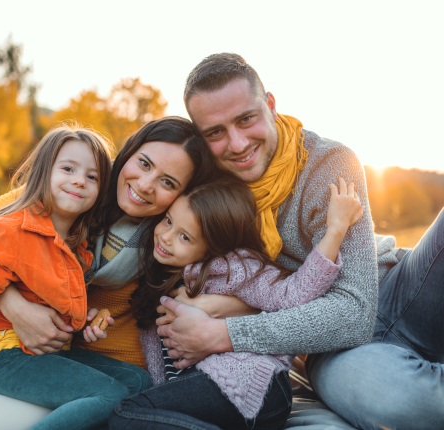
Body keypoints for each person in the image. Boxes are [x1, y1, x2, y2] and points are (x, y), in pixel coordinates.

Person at [0, 117, 244, 430]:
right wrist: (13, 303)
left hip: (88, 363)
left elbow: (243, 285)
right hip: (19, 344)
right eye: (143, 163)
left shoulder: (171, 239)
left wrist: (225, 307)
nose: (145, 184)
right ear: (129, 153)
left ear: (183, 195)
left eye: (168, 182)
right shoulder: (77, 190)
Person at [156, 53, 444, 430]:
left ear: (271, 106)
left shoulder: (329, 162)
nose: (238, 143)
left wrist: (227, 329)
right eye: (216, 132)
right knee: (397, 402)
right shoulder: (204, 195)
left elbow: (353, 311)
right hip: (327, 349)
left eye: (246, 119)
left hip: (398, 288)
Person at [108, 171, 364, 430]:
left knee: (126, 414)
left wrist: (335, 230)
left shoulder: (234, 268)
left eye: (185, 237)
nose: (165, 236)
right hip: (212, 392)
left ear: (213, 247)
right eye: (168, 221)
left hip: (252, 386)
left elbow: (294, 295)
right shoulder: (159, 273)